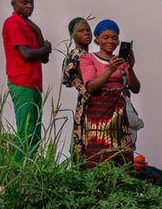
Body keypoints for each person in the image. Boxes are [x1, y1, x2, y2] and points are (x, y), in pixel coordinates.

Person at [79, 19, 140, 167]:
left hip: (120, 115)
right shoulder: (88, 58)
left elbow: (136, 88)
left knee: (122, 155)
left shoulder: (121, 61)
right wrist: (110, 69)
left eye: (114, 38)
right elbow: (91, 87)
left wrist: (130, 68)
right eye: (105, 37)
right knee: (99, 155)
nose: (110, 41)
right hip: (99, 115)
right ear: (97, 39)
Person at [2, 0, 52, 159]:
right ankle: (15, 172)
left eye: (31, 2)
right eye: (25, 2)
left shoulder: (29, 26)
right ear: (13, 4)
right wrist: (45, 47)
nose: (30, 5)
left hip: (35, 84)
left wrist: (38, 31)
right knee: (26, 130)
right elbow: (26, 54)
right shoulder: (13, 23)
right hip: (21, 82)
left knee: (35, 134)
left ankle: (27, 168)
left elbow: (44, 59)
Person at [60, 18, 91, 163]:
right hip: (88, 101)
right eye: (81, 31)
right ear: (72, 35)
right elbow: (88, 80)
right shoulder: (77, 55)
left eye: (88, 30)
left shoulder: (87, 55)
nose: (86, 33)